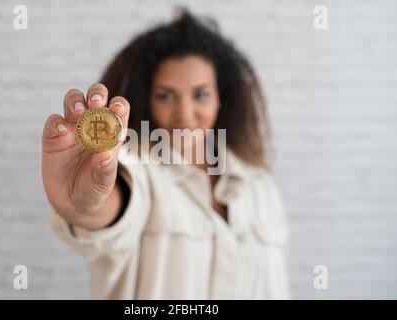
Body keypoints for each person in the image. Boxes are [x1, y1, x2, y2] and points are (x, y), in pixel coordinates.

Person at [41, 10, 290, 299]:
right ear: (146, 99)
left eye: (200, 95)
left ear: (222, 98)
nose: (185, 115)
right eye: (166, 96)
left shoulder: (260, 185)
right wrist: (85, 205)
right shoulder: (133, 167)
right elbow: (113, 208)